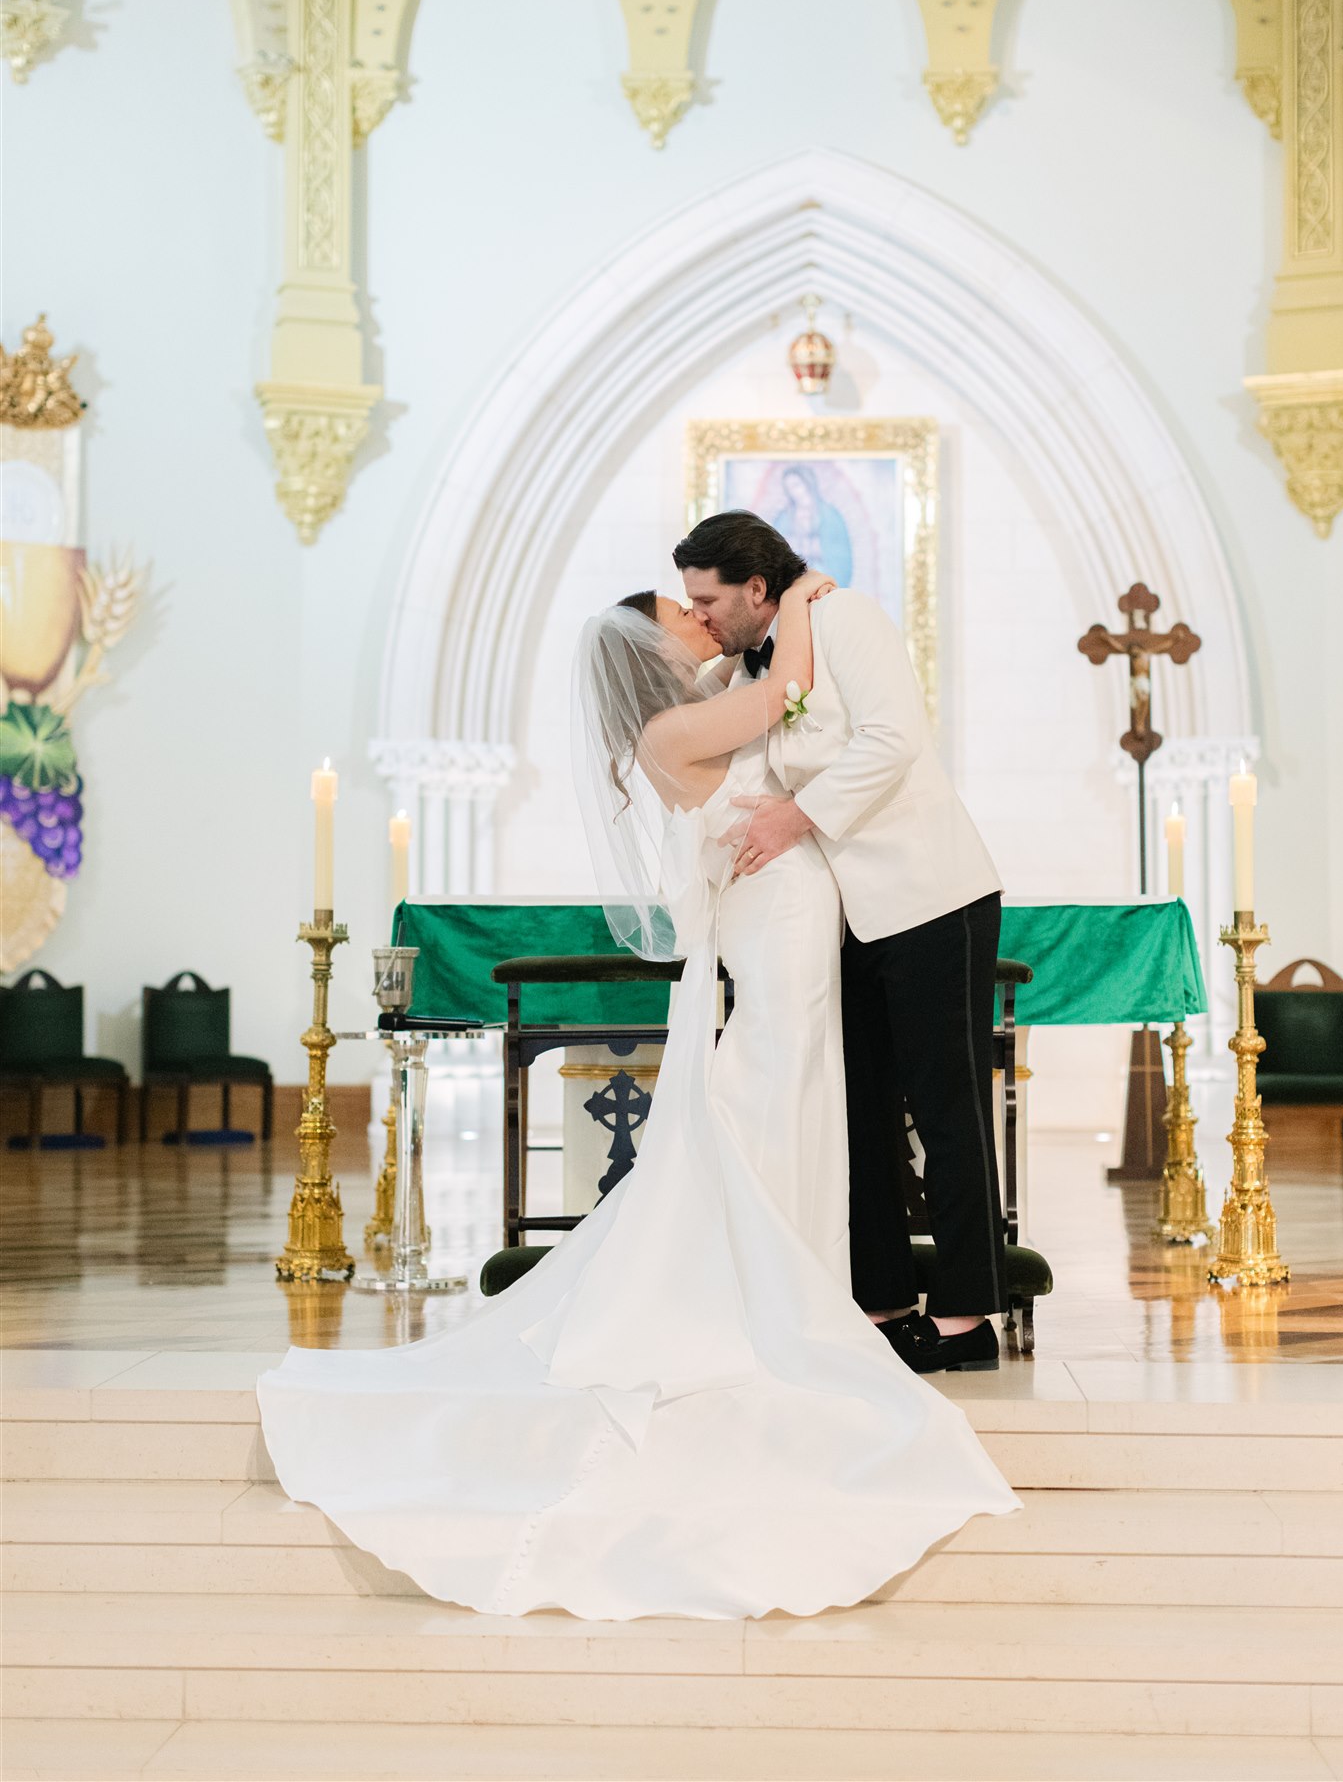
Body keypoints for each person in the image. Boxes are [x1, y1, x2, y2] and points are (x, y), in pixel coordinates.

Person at [257, 562, 1016, 1621]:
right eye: (681, 615)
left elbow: (788, 723)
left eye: (704, 605)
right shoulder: (672, 735)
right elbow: (790, 696)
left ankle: (807, 1291)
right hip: (781, 926)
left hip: (797, 922)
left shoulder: (699, 718)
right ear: (649, 651)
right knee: (773, 1094)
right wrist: (795, 601)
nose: (699, 620)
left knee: (795, 1094)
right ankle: (782, 1307)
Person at [673, 509, 1007, 1375]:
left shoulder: (846, 616)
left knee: (948, 1108)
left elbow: (894, 739)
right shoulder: (754, 661)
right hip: (843, 917)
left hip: (929, 891)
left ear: (756, 587)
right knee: (859, 1111)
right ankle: (884, 1299)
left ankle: (970, 1318)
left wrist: (798, 815)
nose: (700, 615)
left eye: (707, 599)